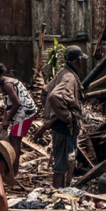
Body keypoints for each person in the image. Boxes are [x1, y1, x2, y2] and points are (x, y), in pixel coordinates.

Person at [32, 45, 86, 188]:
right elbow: (55, 96)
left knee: (61, 163)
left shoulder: (62, 72)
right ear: (79, 60)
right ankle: (58, 194)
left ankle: (60, 192)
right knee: (61, 165)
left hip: (58, 124)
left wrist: (51, 113)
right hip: (63, 126)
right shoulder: (69, 77)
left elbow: (45, 92)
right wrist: (67, 117)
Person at [0, 63, 37, 176]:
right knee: (12, 138)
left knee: (15, 142)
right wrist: (5, 120)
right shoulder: (4, 84)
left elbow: (16, 104)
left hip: (25, 113)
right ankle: (12, 168)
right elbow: (7, 105)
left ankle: (14, 172)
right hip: (19, 113)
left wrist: (7, 120)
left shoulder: (7, 85)